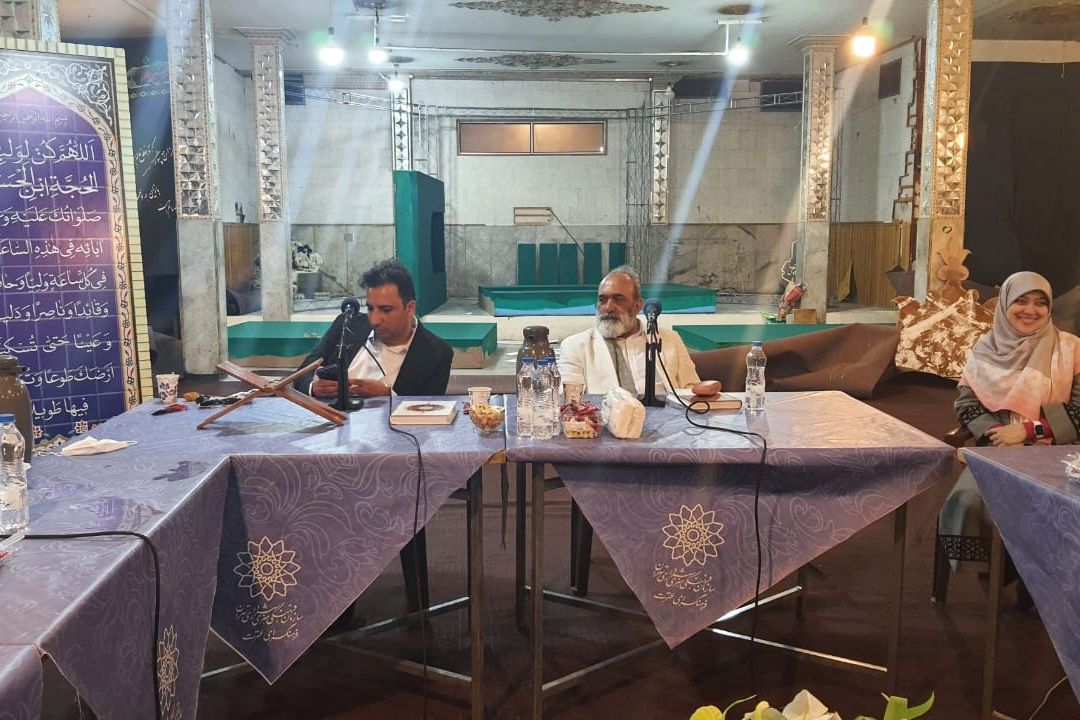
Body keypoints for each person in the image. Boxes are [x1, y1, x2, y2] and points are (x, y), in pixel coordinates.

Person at [939, 271, 1080, 600]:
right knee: (969, 502)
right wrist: (997, 435)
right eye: (1021, 301)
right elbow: (967, 403)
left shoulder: (1070, 349)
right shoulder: (985, 347)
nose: (1030, 310)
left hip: (1058, 450)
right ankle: (996, 574)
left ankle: (1047, 585)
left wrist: (1029, 430)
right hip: (998, 450)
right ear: (1005, 305)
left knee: (1057, 505)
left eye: (1040, 303)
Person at [294, 258, 453, 398]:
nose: (375, 320)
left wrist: (387, 395)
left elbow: (428, 409)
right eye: (370, 308)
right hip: (332, 419)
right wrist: (314, 388)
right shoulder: (347, 324)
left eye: (386, 310)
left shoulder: (437, 353)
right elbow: (301, 376)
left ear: (410, 308)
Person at [558, 265, 700, 395]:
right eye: (602, 300)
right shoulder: (575, 346)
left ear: (638, 305)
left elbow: (692, 389)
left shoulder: (670, 339)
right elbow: (570, 400)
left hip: (668, 414)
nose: (608, 308)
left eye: (618, 299)